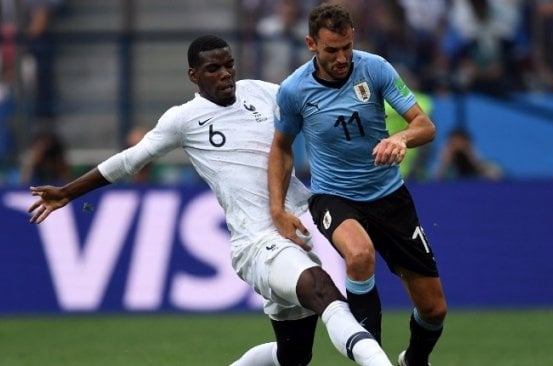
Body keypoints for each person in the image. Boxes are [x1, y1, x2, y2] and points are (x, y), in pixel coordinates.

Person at [27, 34, 392, 366]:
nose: (225, 74)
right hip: (257, 244)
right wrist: (67, 192)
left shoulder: (263, 92)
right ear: (193, 76)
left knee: (293, 355)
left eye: (229, 65)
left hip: (296, 231)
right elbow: (129, 161)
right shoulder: (183, 119)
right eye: (213, 68)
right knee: (324, 290)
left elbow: (313, 104)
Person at [268, 4, 447, 366]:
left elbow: (424, 126)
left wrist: (401, 139)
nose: (342, 57)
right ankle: (372, 358)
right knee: (360, 255)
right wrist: (278, 209)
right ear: (311, 44)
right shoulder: (294, 91)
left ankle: (414, 359)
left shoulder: (375, 68)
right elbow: (281, 148)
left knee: (434, 309)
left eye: (347, 47)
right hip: (334, 197)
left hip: (389, 197)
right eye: (331, 50)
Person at [434, 128, 502, 180]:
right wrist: (444, 164)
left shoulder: (488, 166)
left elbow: (496, 179)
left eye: (463, 145)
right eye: (453, 144)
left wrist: (474, 160)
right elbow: (431, 186)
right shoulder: (447, 171)